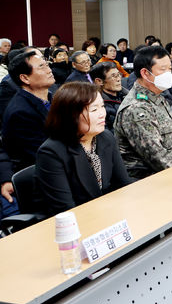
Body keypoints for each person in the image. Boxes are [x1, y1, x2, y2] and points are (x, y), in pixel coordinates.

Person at [35, 82, 133, 217]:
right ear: (71, 115)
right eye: (94, 110)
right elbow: (66, 209)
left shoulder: (105, 137)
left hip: (109, 214)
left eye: (102, 106)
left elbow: (123, 185)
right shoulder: (51, 153)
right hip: (78, 222)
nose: (102, 114)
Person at [114, 46, 172, 178]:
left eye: (170, 69)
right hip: (151, 178)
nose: (169, 74)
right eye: (163, 70)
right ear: (145, 73)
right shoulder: (136, 108)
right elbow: (157, 158)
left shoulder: (157, 95)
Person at [2, 51, 55, 171]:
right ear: (25, 78)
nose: (49, 70)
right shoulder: (21, 112)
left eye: (46, 64)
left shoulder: (51, 97)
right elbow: (45, 153)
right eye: (41, 67)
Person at [90, 62, 127, 132]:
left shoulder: (127, 95)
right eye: (114, 76)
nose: (119, 79)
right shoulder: (99, 106)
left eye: (119, 75)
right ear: (99, 81)